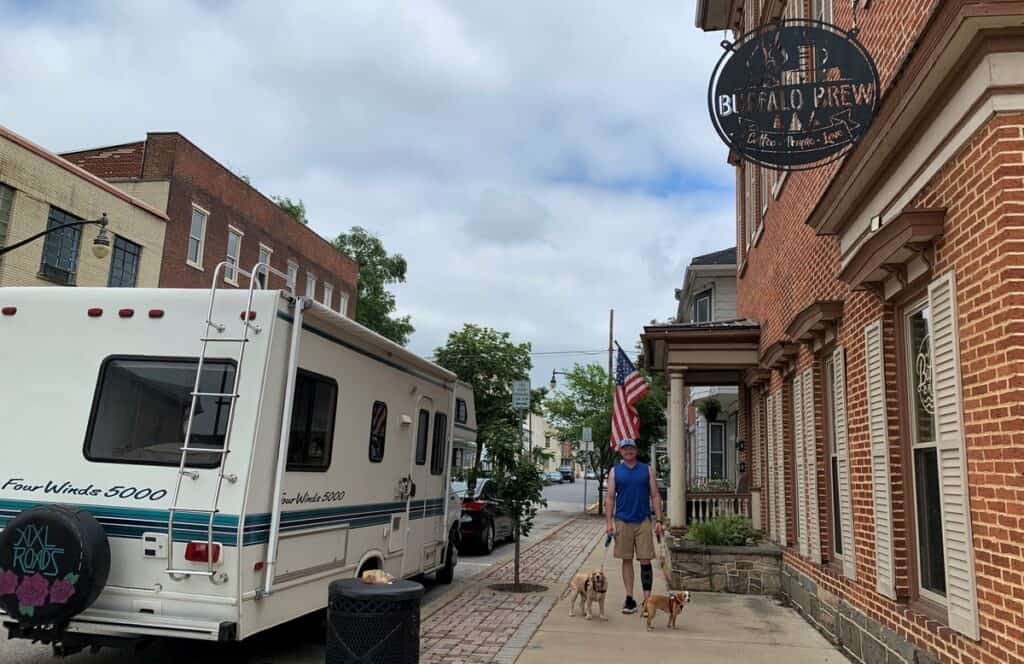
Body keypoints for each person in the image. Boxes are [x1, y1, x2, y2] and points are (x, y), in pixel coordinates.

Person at [604, 438, 663, 615]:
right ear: (620, 452)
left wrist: (659, 520)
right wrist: (609, 522)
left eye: (631, 448)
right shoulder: (615, 472)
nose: (628, 451)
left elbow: (655, 496)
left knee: (645, 560)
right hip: (622, 521)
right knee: (626, 559)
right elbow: (610, 498)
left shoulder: (647, 470)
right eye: (625, 449)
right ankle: (629, 598)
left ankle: (647, 600)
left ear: (636, 451)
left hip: (643, 520)